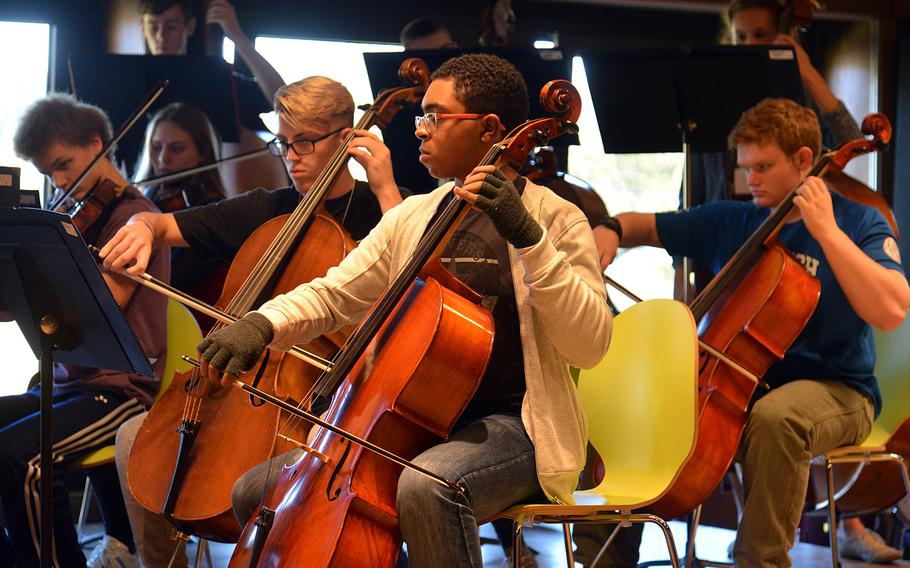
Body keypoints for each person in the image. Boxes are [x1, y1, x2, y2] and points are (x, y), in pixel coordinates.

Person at [193, 52, 612, 568]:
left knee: (428, 487)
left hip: (516, 426)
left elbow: (589, 345)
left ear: (490, 130)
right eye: (423, 115)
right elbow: (333, 293)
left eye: (436, 116)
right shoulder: (416, 214)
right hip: (413, 425)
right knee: (256, 490)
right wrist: (260, 324)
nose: (420, 131)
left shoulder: (556, 218)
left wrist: (528, 239)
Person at [99, 75, 407, 568]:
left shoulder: (385, 210)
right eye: (283, 142)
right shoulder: (268, 208)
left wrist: (387, 188)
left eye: (305, 141)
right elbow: (162, 224)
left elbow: (410, 290)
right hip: (238, 388)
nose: (292, 156)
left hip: (325, 402)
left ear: (348, 137)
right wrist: (141, 226)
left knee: (266, 473)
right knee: (135, 438)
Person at [594, 98, 908, 568]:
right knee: (634, 415)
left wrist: (827, 233)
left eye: (763, 166)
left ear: (805, 160)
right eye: (745, 167)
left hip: (840, 391)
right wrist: (611, 230)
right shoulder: (736, 220)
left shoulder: (859, 221)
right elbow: (646, 225)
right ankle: (609, 556)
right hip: (737, 391)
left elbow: (890, 311)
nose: (750, 179)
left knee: (779, 417)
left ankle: (759, 562)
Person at [3, 93, 169, 567]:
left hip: (118, 391)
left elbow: (101, 309)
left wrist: (44, 262)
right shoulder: (75, 221)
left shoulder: (135, 220)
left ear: (97, 143)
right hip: (65, 387)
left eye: (64, 165)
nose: (58, 182)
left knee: (23, 457)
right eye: (47, 172)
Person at [139, 0, 287, 193]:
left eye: (171, 26)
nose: (160, 36)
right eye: (153, 27)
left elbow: (282, 97)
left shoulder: (215, 77)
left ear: (189, 27)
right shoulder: (127, 79)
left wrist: (237, 36)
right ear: (142, 26)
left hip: (207, 193)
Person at [133, 102, 230, 331]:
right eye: (156, 148)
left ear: (203, 153)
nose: (163, 159)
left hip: (180, 330)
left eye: (176, 149)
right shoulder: (147, 199)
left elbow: (172, 278)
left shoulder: (212, 214)